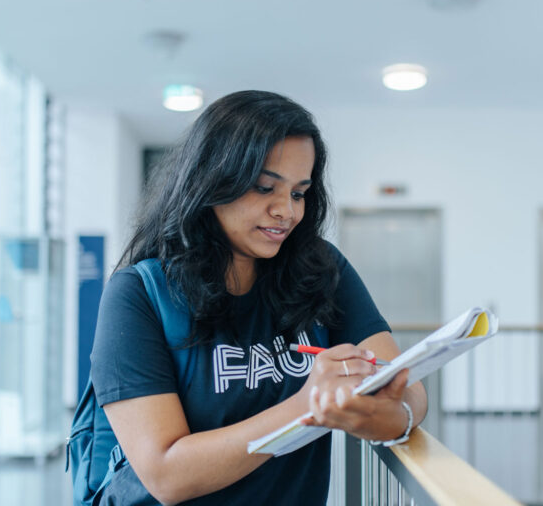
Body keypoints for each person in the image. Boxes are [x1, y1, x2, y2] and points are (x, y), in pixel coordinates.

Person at [90, 90, 427, 505]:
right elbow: (166, 474)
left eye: (299, 193)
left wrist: (388, 413)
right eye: (265, 187)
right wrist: (307, 406)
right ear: (211, 182)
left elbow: (407, 391)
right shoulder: (138, 294)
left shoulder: (321, 270)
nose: (286, 211)